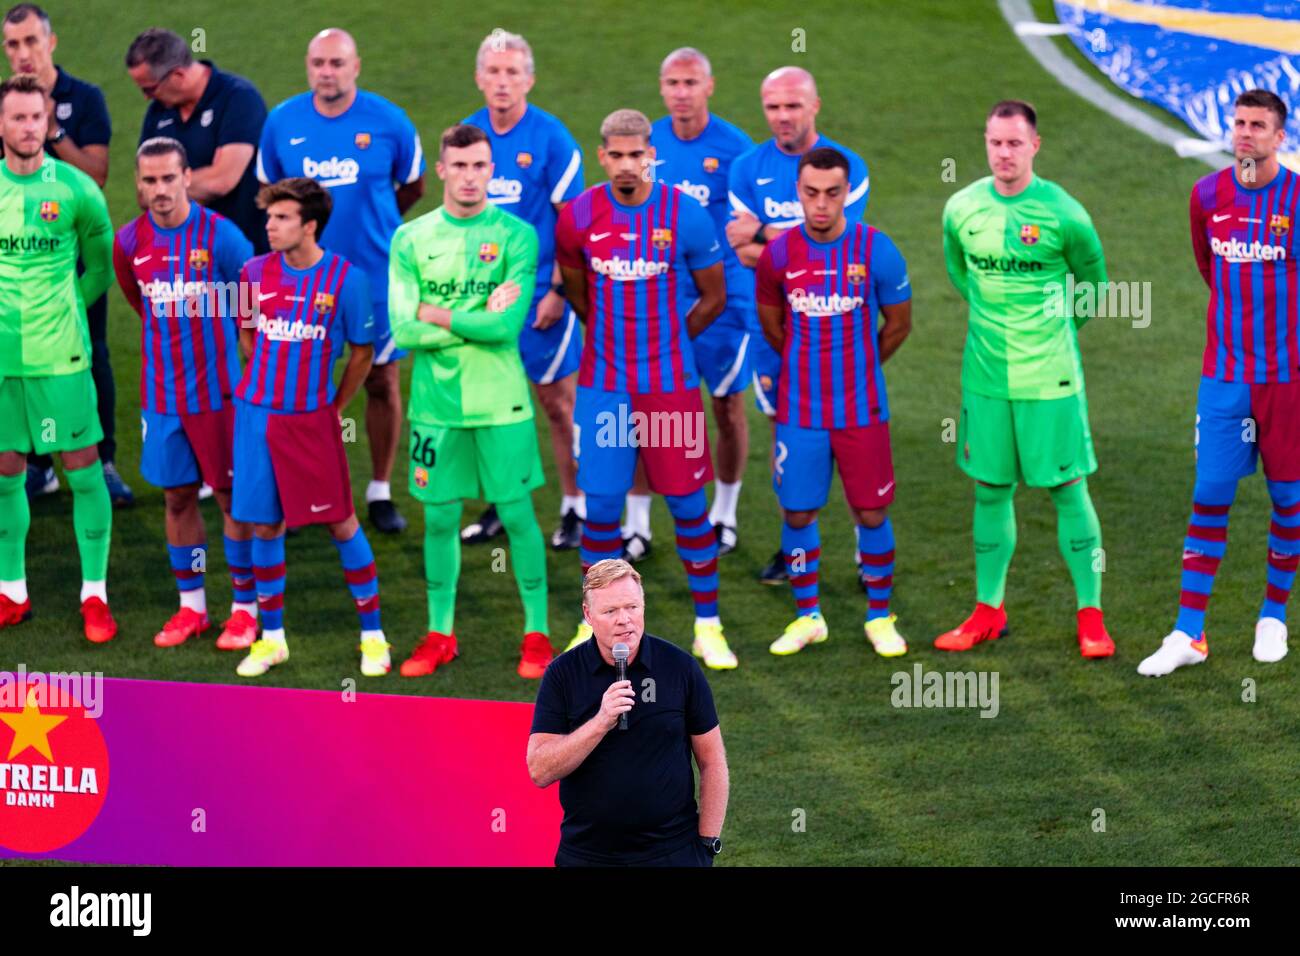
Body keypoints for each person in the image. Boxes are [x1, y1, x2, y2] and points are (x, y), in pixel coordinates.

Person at [555, 108, 738, 670]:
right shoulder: (578, 217)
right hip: (606, 387)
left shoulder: (685, 215)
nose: (629, 165)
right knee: (603, 509)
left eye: (639, 154)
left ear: (652, 154)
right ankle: (595, 632)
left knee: (687, 505)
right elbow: (578, 292)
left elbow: (715, 296)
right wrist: (617, 339)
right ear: (602, 156)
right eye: (618, 155)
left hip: (671, 388)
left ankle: (708, 624)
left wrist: (668, 341)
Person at [938, 100, 1114, 659]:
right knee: (990, 490)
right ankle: (989, 611)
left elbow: (1093, 286)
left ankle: (1091, 618)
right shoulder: (961, 207)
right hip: (986, 379)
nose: (1003, 153)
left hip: (1050, 380)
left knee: (1068, 489)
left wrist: (1049, 334)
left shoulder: (1065, 213)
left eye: (1015, 143)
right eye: (995, 142)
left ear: (1035, 145)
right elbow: (959, 272)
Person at [1138, 89, 1300, 675]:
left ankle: (1273, 615)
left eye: (1259, 126)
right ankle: (1188, 633)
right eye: (1239, 123)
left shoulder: (1299, 200)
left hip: (1288, 382)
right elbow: (1209, 266)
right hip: (1226, 377)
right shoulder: (1207, 195)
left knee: (1288, 499)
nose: (1246, 134)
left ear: (1280, 136)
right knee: (1209, 496)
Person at [388, 124, 550, 679]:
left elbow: (506, 328)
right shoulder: (409, 239)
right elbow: (402, 331)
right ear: (441, 170)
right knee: (437, 521)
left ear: (492, 169)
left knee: (517, 515)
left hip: (501, 403)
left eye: (480, 166)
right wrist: (470, 318)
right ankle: (439, 634)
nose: (469, 176)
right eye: (458, 166)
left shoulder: (516, 236)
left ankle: (537, 635)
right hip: (435, 409)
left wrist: (436, 313)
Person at [257, 28, 426, 535]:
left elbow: (413, 185)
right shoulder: (282, 122)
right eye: (317, 63)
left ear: (356, 66)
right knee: (296, 383)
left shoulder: (390, 121)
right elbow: (271, 193)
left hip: (374, 279)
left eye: (336, 63)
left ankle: (378, 489)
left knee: (381, 378)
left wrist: (376, 228)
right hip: (303, 283)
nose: (326, 72)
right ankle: (301, 490)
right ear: (308, 67)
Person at [756, 147, 912, 657]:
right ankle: (808, 617)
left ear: (848, 193)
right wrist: (807, 366)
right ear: (797, 193)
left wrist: (860, 366)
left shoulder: (876, 250)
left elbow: (899, 324)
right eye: (810, 193)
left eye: (832, 193)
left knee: (870, 511)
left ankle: (879, 615)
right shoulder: (778, 255)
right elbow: (773, 325)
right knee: (797, 513)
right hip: (800, 411)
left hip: (862, 409)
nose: (821, 204)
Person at [230, 177, 388, 678]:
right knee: (265, 524)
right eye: (269, 216)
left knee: (341, 521)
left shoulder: (347, 280)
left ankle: (373, 636)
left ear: (310, 225)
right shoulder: (251, 272)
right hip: (257, 419)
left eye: (281, 218)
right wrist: (270, 387)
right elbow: (248, 335)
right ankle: (272, 638)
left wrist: (335, 404)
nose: (270, 226)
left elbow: (363, 354)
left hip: (312, 424)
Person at [112, 137, 259, 650]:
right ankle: (192, 607)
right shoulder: (130, 242)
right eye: (149, 180)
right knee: (176, 498)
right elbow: (138, 299)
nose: (160, 190)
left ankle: (244, 609)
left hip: (219, 397)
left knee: (230, 499)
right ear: (138, 183)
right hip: (162, 399)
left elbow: (253, 300)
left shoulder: (222, 238)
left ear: (187, 177)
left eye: (168, 178)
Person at [726, 66, 870, 585]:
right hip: (777, 336)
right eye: (773, 107)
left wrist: (767, 232)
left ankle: (864, 553)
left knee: (852, 445)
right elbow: (742, 253)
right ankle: (796, 557)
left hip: (839, 338)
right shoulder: (746, 168)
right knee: (787, 444)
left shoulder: (846, 165)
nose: (782, 116)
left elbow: (836, 247)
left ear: (815, 106)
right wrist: (790, 245)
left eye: (792, 105)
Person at [0, 74, 116, 641]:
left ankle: (94, 596)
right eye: (17, 117)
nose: (29, 127)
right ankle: (12, 592)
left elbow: (100, 267)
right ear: (1, 124)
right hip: (2, 366)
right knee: (5, 475)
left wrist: (67, 307)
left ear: (48, 120)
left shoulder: (75, 189)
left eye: (36, 117)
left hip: (61, 361)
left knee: (83, 472)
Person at [460, 30, 586, 551]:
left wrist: (559, 289)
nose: (503, 82)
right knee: (495, 403)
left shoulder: (552, 139)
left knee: (556, 402)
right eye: (494, 71)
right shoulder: (467, 134)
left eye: (513, 72)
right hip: (485, 299)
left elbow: (574, 226)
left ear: (529, 79)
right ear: (479, 78)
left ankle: (577, 507)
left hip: (541, 294)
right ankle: (501, 501)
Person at [3, 2, 131, 506]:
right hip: (14, 264)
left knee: (91, 353)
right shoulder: (3, 103)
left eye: (32, 41)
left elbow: (96, 175)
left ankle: (103, 461)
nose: (23, 53)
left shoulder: (85, 99)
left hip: (73, 263)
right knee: (18, 365)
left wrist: (53, 129)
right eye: (12, 44)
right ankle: (37, 466)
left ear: (51, 42)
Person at [527, 559, 728, 867]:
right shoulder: (562, 674)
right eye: (610, 611)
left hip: (672, 854)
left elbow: (712, 760)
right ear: (588, 615)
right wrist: (600, 721)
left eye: (632, 607)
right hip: (587, 855)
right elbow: (540, 770)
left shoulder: (680, 668)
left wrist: (706, 844)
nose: (625, 620)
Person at [644, 46, 754, 558]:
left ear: (709, 86)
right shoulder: (647, 145)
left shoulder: (737, 151)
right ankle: (638, 524)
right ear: (662, 88)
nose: (681, 93)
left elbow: (750, 230)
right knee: (648, 406)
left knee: (727, 406)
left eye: (691, 83)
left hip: (724, 302)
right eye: (672, 83)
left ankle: (724, 513)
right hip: (661, 297)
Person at [125, 28, 268, 253]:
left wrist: (165, 188)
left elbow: (222, 180)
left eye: (149, 88)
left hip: (243, 253)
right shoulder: (158, 113)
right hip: (184, 257)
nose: (145, 97)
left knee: (237, 291)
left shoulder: (238, 98)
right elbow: (144, 194)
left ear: (178, 76)